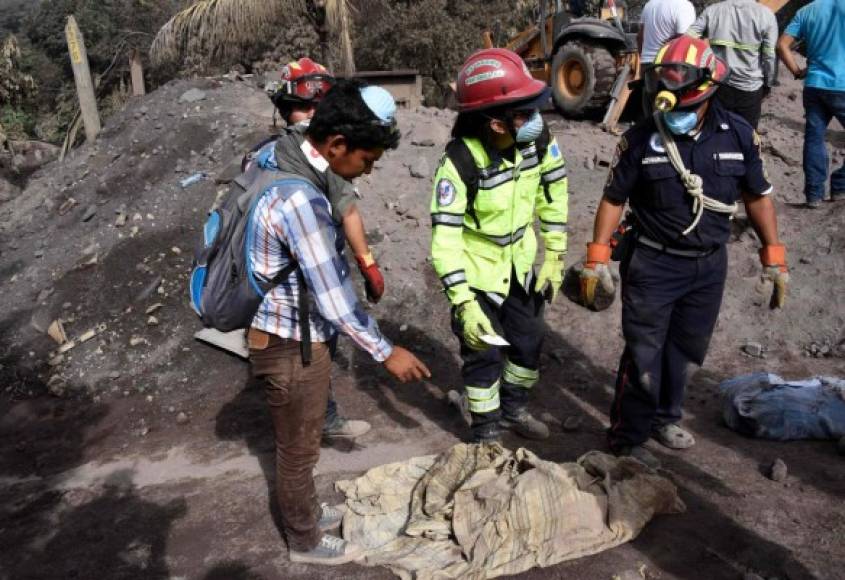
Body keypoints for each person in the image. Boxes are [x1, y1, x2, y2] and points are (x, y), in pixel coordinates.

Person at [581, 36, 788, 469]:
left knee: (685, 351)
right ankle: (627, 437)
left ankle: (664, 417)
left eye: (677, 78)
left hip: (709, 266)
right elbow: (614, 198)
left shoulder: (738, 135)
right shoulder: (640, 139)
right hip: (653, 263)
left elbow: (758, 196)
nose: (667, 87)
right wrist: (597, 256)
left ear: (707, 86)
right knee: (643, 353)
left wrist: (774, 255)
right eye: (663, 75)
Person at [247, 79, 431, 564]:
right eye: (366, 161)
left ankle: (305, 511)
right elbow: (333, 300)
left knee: (301, 441)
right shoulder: (301, 202)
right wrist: (386, 351)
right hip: (289, 343)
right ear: (336, 145)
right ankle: (304, 540)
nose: (366, 172)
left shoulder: (282, 159)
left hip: (287, 332)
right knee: (298, 448)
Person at [429, 48, 569, 443]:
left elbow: (553, 191)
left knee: (528, 343)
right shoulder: (460, 161)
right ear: (494, 122)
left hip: (520, 264)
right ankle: (486, 429)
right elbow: (445, 237)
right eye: (523, 111)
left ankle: (514, 409)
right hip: (477, 270)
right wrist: (462, 301)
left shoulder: (538, 140)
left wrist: (555, 253)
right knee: (483, 353)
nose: (535, 119)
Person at [253, 58, 383, 439]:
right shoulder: (313, 160)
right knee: (314, 346)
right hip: (295, 284)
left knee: (303, 350)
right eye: (303, 107)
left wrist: (367, 263)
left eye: (317, 108)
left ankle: (306, 416)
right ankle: (317, 421)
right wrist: (367, 267)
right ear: (285, 109)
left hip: (270, 289)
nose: (309, 115)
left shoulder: (266, 153)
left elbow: (347, 210)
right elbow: (349, 213)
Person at [777, 0, 845, 208]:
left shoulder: (807, 10)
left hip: (814, 84)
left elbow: (782, 45)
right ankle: (840, 185)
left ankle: (814, 194)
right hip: (842, 85)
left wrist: (797, 71)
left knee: (814, 138)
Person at [686, 0, 778, 129]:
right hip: (749, 87)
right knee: (746, 134)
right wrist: (768, 82)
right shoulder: (766, 15)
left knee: (715, 131)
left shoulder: (713, 10)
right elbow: (769, 55)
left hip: (718, 84)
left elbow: (688, 38)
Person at [638, 0, 697, 65]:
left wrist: (643, 58)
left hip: (647, 64)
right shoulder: (684, 5)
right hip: (671, 65)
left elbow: (640, 37)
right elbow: (686, 39)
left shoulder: (649, 4)